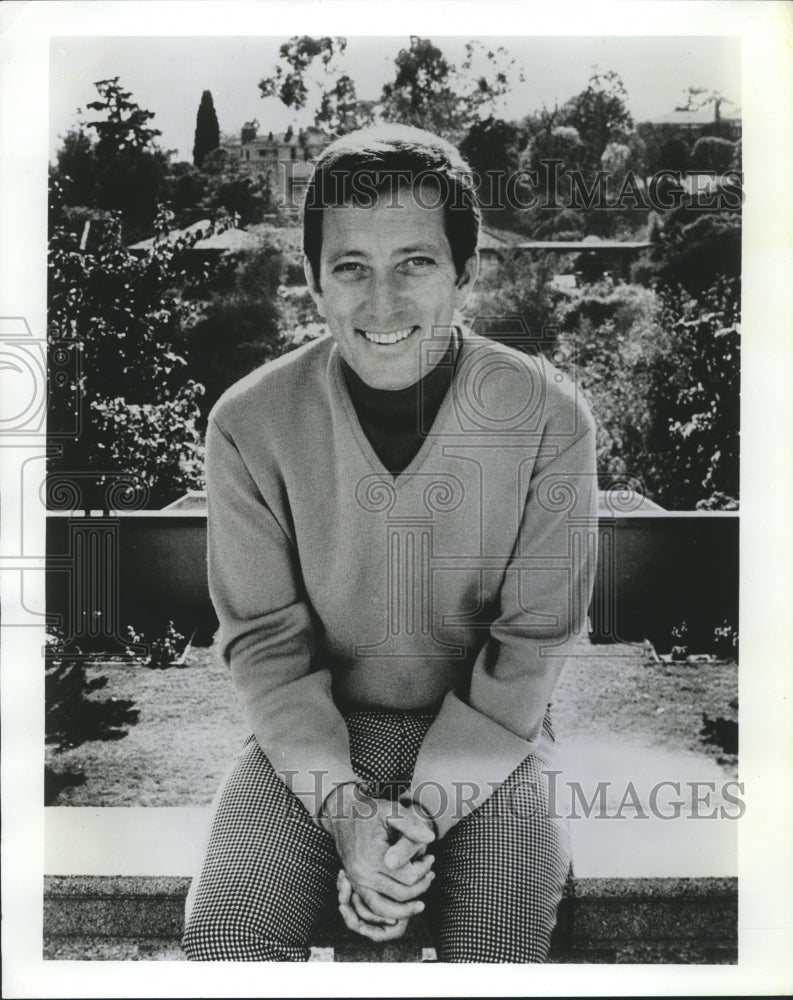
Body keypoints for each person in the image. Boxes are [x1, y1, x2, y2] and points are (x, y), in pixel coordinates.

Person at [182, 123, 598, 963]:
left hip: (494, 742)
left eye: (414, 262)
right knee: (225, 935)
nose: (381, 303)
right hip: (312, 738)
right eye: (350, 268)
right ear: (312, 279)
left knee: (498, 949)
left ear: (464, 271)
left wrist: (410, 824)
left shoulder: (549, 416)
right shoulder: (248, 423)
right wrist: (346, 817)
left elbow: (531, 645)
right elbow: (267, 648)